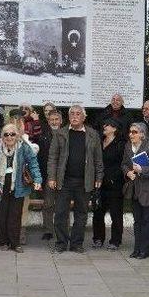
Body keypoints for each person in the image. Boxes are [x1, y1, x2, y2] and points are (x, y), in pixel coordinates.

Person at [47, 105, 104, 253]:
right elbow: (53, 157)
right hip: (64, 181)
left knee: (81, 213)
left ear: (84, 117)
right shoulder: (60, 134)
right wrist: (52, 177)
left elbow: (98, 159)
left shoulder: (93, 135)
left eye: (78, 114)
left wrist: (99, 176)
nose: (74, 116)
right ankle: (61, 243)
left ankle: (76, 244)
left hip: (84, 181)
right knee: (60, 213)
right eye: (72, 113)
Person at [0, 124, 42, 253]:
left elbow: (33, 164)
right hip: (0, 186)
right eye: (6, 134)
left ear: (17, 135)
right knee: (1, 217)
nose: (9, 137)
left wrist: (38, 179)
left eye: (12, 134)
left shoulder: (24, 148)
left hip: (18, 186)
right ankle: (3, 242)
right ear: (2, 136)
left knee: (15, 216)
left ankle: (15, 243)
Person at [122, 122, 149, 259]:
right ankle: (137, 249)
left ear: (142, 135)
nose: (131, 134)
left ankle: (145, 250)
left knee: (147, 222)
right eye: (130, 131)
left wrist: (142, 170)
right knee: (137, 221)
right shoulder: (128, 147)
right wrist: (128, 172)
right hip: (135, 191)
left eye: (134, 132)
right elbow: (123, 164)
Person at [92, 119, 127, 250]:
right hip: (99, 182)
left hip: (115, 183)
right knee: (98, 211)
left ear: (115, 128)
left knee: (115, 213)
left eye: (107, 125)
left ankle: (115, 240)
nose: (104, 127)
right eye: (104, 124)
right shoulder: (99, 141)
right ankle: (98, 238)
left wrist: (114, 177)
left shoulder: (121, 144)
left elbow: (124, 163)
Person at [37, 109, 62, 240]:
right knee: (48, 204)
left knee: (62, 205)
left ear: (61, 121)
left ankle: (62, 230)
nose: (54, 122)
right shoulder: (43, 136)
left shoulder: (67, 135)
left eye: (56, 119)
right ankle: (48, 230)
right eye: (51, 119)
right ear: (48, 121)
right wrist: (41, 179)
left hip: (64, 177)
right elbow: (41, 159)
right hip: (48, 176)